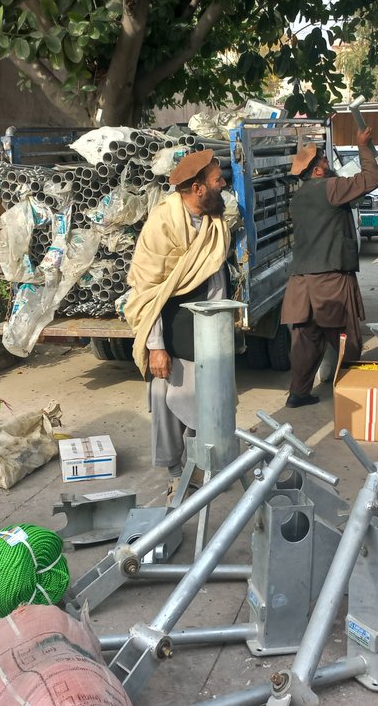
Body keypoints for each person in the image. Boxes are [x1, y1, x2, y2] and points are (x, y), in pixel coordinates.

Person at [124, 149, 231, 498]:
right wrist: (156, 346)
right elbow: (148, 289)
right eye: (217, 181)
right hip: (169, 327)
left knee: (211, 398)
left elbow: (215, 277)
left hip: (207, 327)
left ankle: (199, 467)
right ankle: (175, 473)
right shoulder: (163, 222)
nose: (224, 184)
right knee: (166, 397)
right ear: (198, 188)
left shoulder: (214, 221)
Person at [281, 126, 378, 408]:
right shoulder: (330, 188)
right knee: (346, 339)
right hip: (330, 282)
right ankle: (355, 396)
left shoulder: (298, 198)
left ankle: (297, 393)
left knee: (305, 342)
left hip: (301, 283)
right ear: (316, 171)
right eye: (324, 161)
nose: (329, 164)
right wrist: (364, 146)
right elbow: (371, 179)